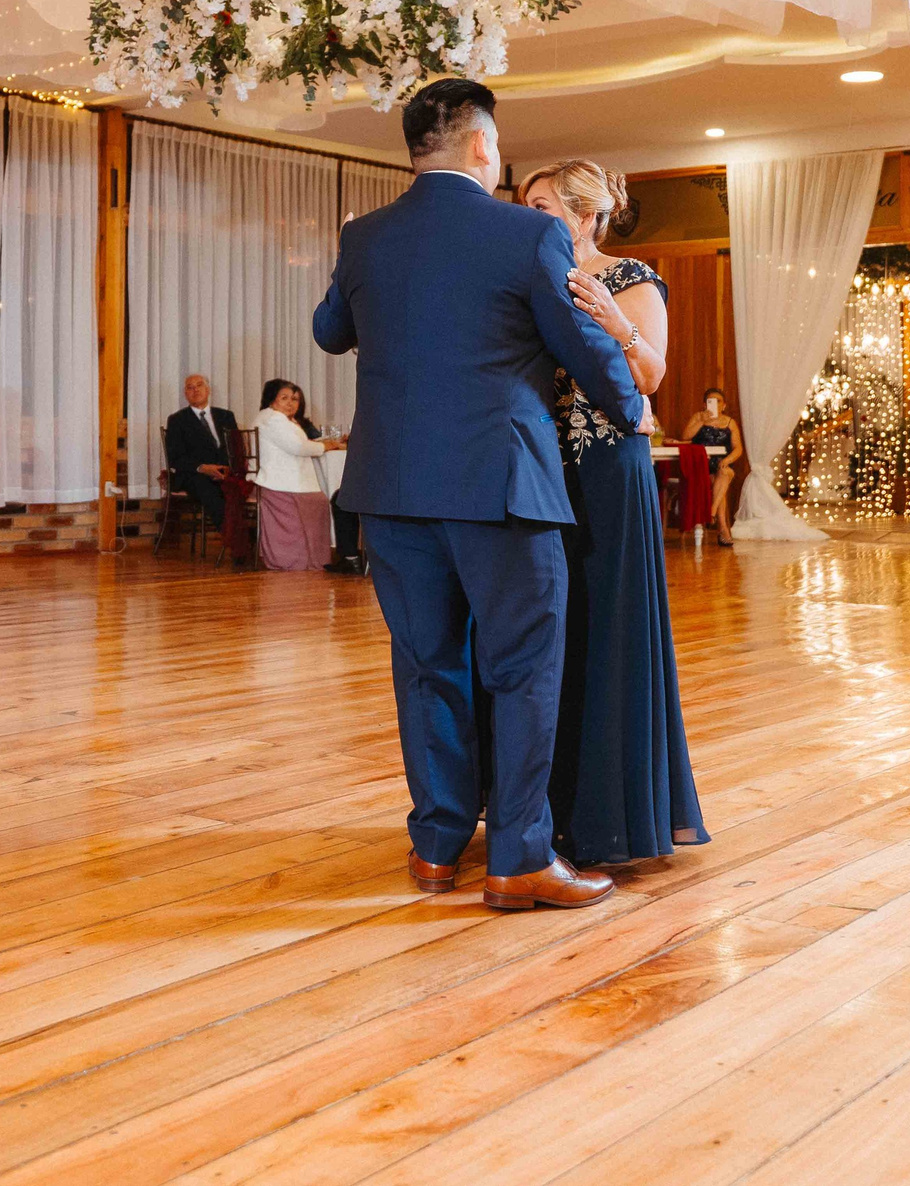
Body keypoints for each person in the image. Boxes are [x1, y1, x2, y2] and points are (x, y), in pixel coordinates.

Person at [314, 78, 642, 913]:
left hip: (391, 488)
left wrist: (357, 263)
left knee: (427, 668)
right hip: (502, 486)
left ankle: (434, 847)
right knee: (523, 668)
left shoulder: (366, 238)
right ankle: (519, 859)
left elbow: (330, 332)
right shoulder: (527, 233)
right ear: (483, 147)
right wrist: (628, 403)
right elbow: (580, 345)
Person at [521, 159, 710, 868]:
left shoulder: (630, 277)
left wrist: (608, 319)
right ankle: (551, 809)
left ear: (586, 213)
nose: (531, 216)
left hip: (608, 466)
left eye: (543, 205)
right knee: (551, 633)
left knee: (610, 626)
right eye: (526, 204)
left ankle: (615, 816)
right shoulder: (531, 280)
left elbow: (652, 374)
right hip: (543, 466)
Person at [252, 379, 343, 571]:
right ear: (271, 399)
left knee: (319, 501)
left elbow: (299, 443)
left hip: (284, 480)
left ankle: (311, 560)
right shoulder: (273, 419)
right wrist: (328, 445)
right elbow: (299, 447)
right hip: (282, 483)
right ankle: (304, 561)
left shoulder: (277, 418)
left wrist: (326, 444)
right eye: (284, 398)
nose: (290, 403)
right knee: (321, 502)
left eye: (294, 399)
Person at [163, 374, 240, 535]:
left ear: (208, 390)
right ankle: (233, 541)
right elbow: (175, 458)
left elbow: (236, 448)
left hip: (225, 472)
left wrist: (226, 469)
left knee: (241, 489)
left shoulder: (226, 416)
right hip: (195, 475)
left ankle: (252, 539)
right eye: (190, 387)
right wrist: (203, 468)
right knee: (211, 491)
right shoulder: (177, 420)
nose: (195, 390)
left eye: (199, 385)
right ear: (185, 393)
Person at [678, 388, 743, 545]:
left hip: (721, 463)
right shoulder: (698, 417)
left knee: (724, 473)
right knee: (719, 484)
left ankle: (711, 512)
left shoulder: (729, 422)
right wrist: (702, 421)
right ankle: (722, 529)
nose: (715, 404)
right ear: (704, 404)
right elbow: (685, 436)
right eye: (710, 401)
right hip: (700, 466)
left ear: (724, 405)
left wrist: (728, 459)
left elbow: (738, 448)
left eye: (718, 401)